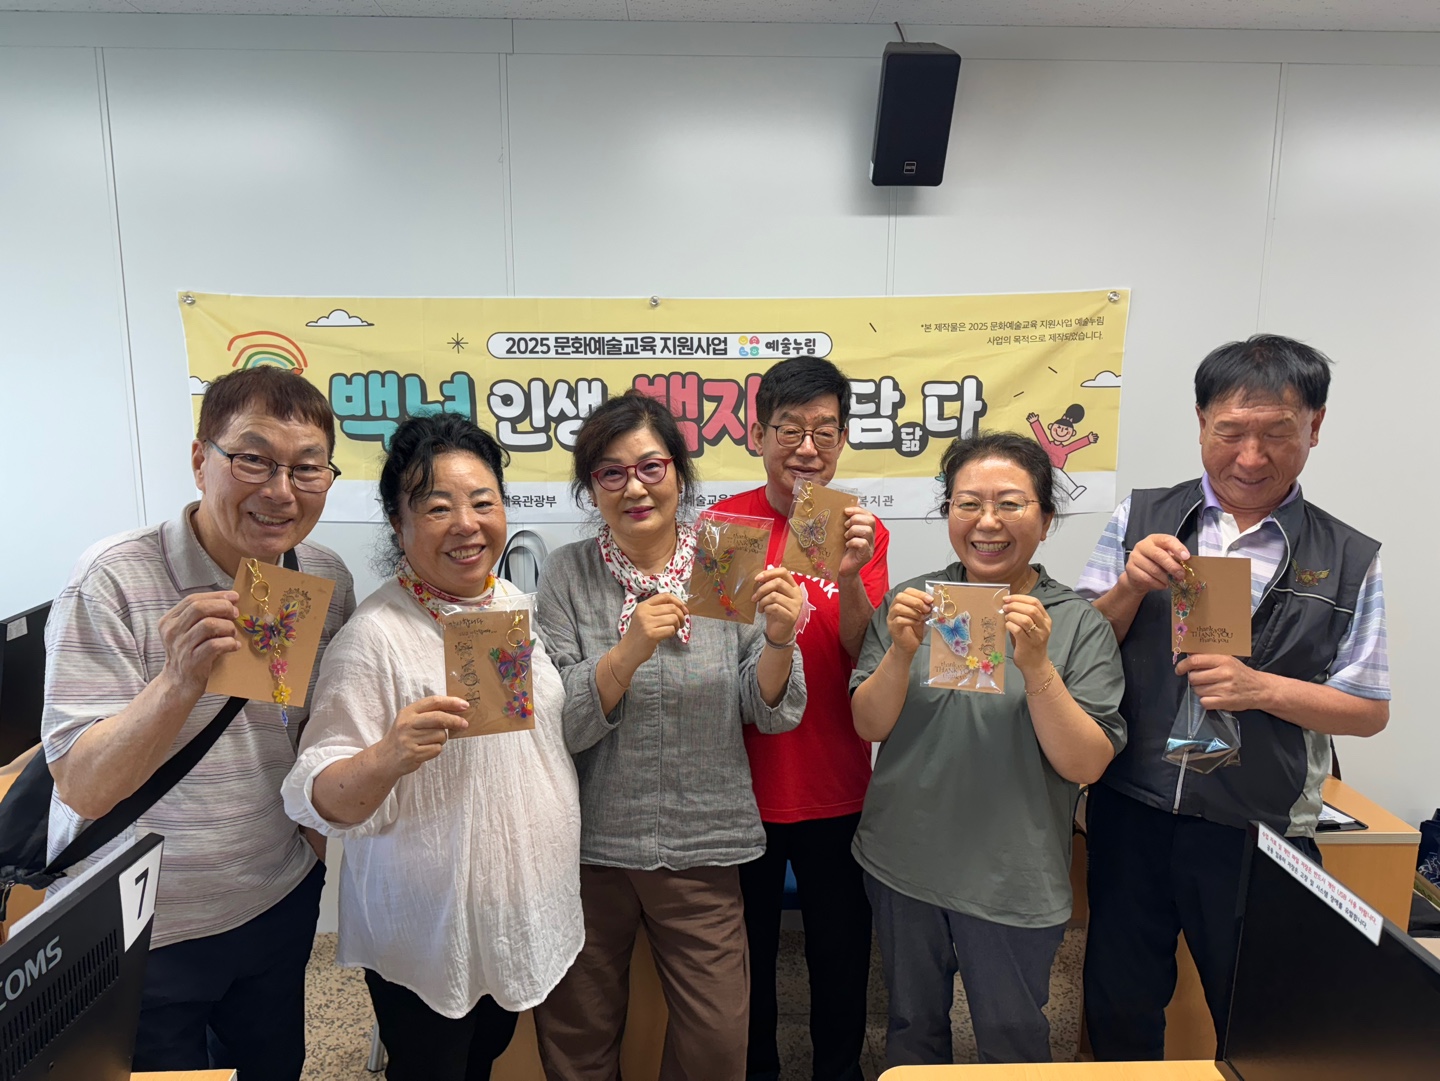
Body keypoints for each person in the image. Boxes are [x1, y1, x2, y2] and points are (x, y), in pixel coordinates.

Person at [1078, 333, 1389, 1060]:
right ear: (1200, 422)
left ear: (1315, 426)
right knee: (1119, 1005)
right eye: (1230, 432)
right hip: (1132, 808)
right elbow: (1078, 651)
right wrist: (1128, 587)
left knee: (1264, 1023)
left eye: (1277, 433)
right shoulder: (1141, 517)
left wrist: (1261, 688)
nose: (1250, 457)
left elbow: (1368, 709)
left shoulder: (1349, 556)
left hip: (1259, 828)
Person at [41, 366, 355, 1078]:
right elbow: (82, 787)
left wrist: (311, 855)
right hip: (145, 926)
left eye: (306, 467)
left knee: (272, 1065)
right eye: (253, 459)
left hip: (275, 899)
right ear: (199, 460)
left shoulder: (322, 577)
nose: (280, 490)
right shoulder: (112, 579)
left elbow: (316, 733)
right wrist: (178, 683)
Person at [281, 413, 581, 1081]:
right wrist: (390, 753)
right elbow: (317, 793)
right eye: (438, 507)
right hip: (428, 927)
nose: (466, 524)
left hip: (514, 912)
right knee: (431, 1065)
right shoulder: (375, 637)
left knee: (484, 1055)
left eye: (483, 502)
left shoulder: (511, 605)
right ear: (398, 522)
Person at [532, 390, 808, 1081]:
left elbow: (767, 708)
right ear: (591, 487)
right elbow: (559, 723)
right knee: (577, 1032)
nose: (635, 488)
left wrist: (780, 639)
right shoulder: (567, 572)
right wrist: (627, 652)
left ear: (679, 474)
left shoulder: (727, 558)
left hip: (704, 841)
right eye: (611, 473)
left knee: (716, 1042)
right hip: (590, 846)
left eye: (651, 467)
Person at [850, 432, 1125, 1066]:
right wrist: (900, 653)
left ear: (1046, 520)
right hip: (903, 861)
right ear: (948, 512)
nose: (988, 522)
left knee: (1013, 1040)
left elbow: (1086, 763)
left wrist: (1037, 667)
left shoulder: (1076, 624)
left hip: (1013, 878)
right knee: (911, 1029)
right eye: (968, 503)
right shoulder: (912, 604)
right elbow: (868, 724)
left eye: (1010, 503)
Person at [710, 357, 888, 1081]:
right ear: (758, 435)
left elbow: (863, 650)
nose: (807, 448)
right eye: (789, 429)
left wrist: (850, 575)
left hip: (836, 783)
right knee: (744, 962)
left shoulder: (858, 528)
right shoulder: (724, 525)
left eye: (824, 430)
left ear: (842, 439)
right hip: (739, 785)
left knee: (840, 957)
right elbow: (713, 658)